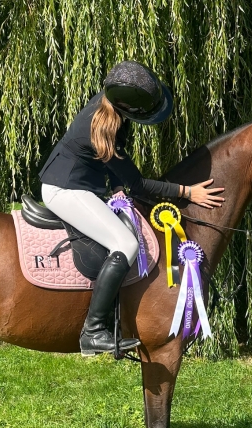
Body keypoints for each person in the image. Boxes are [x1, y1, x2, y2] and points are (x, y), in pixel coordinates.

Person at [39, 60, 225, 356]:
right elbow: (136, 183)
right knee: (126, 244)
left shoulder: (112, 108)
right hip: (65, 189)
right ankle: (93, 331)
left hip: (82, 184)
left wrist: (116, 188)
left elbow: (112, 168)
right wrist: (188, 192)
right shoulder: (100, 127)